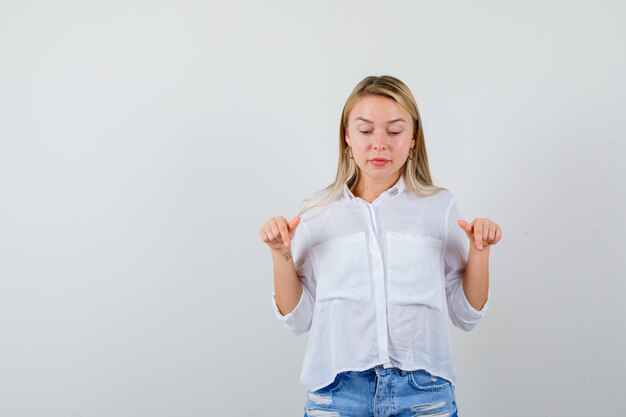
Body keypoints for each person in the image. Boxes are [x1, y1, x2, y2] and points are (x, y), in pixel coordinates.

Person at [259, 75, 502, 417]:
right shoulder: (316, 212)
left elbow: (466, 314)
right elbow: (297, 320)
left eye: (394, 130)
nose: (379, 144)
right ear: (346, 135)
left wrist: (480, 252)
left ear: (414, 138)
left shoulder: (439, 207)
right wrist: (279, 253)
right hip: (338, 393)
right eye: (365, 130)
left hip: (423, 393)